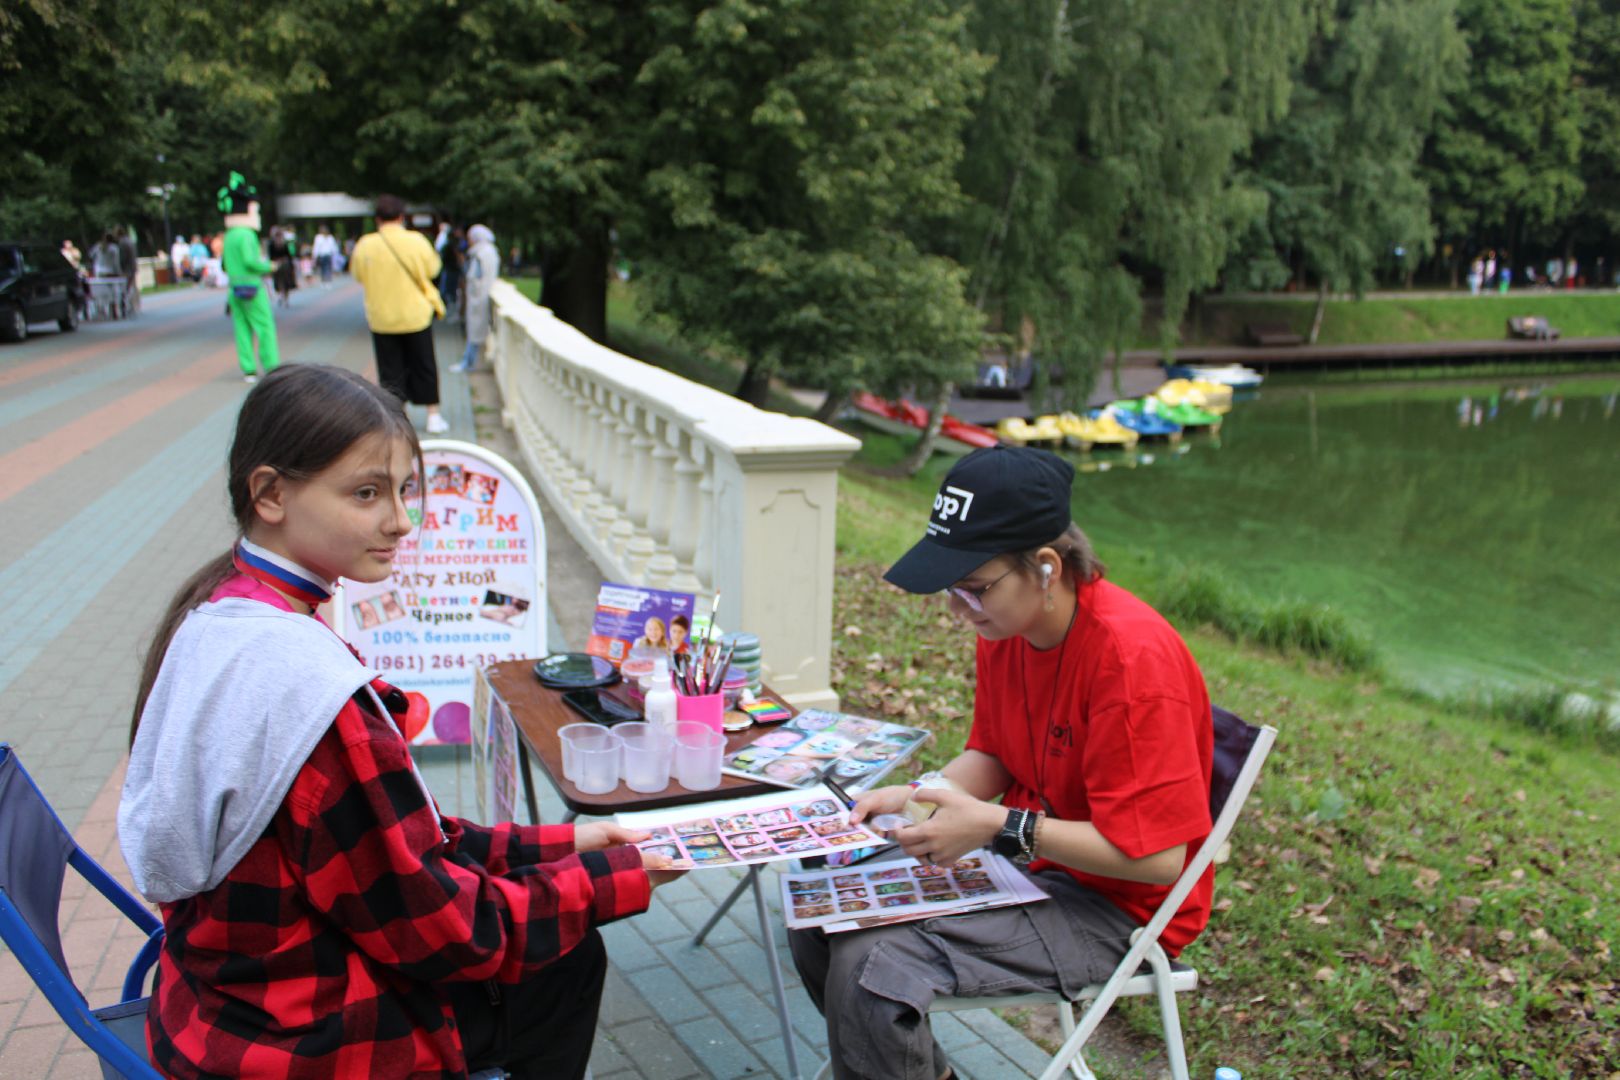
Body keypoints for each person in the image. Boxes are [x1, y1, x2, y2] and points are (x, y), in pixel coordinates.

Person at [118, 364, 678, 1080]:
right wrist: (618, 878)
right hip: (306, 1036)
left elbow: (401, 846)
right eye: (366, 493)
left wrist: (565, 841)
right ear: (270, 493)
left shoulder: (219, 612)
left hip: (213, 1001)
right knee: (566, 957)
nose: (401, 521)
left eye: (404, 490)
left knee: (562, 948)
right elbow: (449, 931)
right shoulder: (313, 695)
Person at [789, 446, 1214, 1080]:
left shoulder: (1129, 662)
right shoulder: (1009, 628)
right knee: (819, 915)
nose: (960, 611)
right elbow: (994, 752)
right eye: (953, 590)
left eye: (974, 588)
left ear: (1046, 568)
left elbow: (1156, 860)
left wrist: (997, 826)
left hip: (1121, 911)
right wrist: (915, 794)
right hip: (1040, 866)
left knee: (875, 970)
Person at [351, 194, 450, 434]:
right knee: (424, 363)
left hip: (382, 317)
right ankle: (433, 415)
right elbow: (433, 268)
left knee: (390, 369)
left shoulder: (366, 244)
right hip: (415, 314)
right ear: (401, 216)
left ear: (377, 219)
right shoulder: (416, 241)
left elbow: (357, 275)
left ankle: (398, 417)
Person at [218, 171, 279, 383]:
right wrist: (269, 266)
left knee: (241, 328)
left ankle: (248, 368)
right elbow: (250, 261)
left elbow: (226, 264)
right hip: (253, 286)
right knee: (264, 327)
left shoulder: (229, 236)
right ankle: (271, 365)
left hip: (234, 288)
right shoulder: (247, 234)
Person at [453, 223, 499, 372]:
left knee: (476, 330)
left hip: (480, 298)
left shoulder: (484, 253)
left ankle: (468, 362)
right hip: (477, 298)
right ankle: (468, 361)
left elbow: (479, 277)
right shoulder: (483, 252)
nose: (469, 241)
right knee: (475, 330)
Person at [271, 225, 298, 308]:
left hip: (284, 265)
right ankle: (282, 296)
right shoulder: (272, 244)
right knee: (280, 282)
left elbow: (288, 255)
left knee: (285, 283)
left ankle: (284, 298)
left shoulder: (284, 244)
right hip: (277, 265)